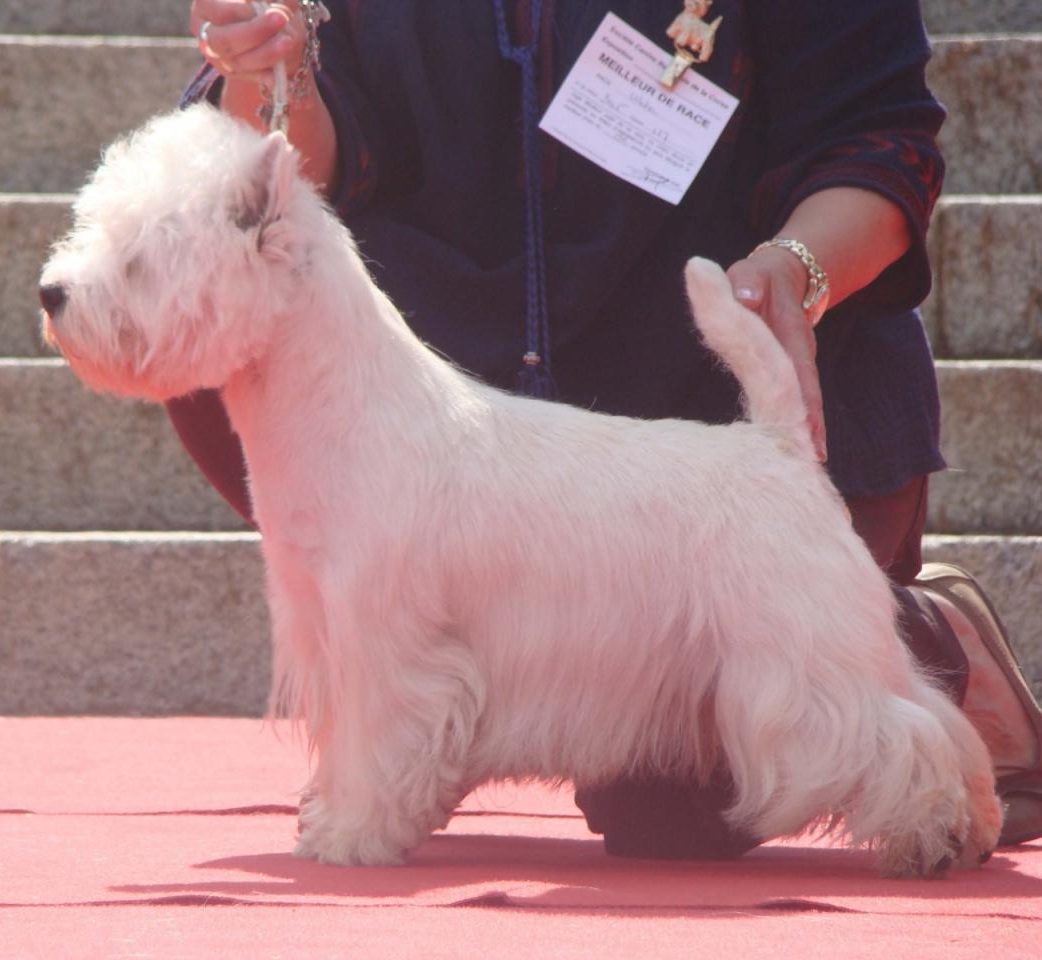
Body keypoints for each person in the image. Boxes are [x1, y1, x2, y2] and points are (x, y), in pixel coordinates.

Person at [171, 0, 1042, 852]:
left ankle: (910, 639)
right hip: (448, 425)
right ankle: (424, 701)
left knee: (680, 815)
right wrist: (268, 67)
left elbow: (878, 133)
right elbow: (304, 171)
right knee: (221, 344)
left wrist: (792, 275)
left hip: (716, 409)